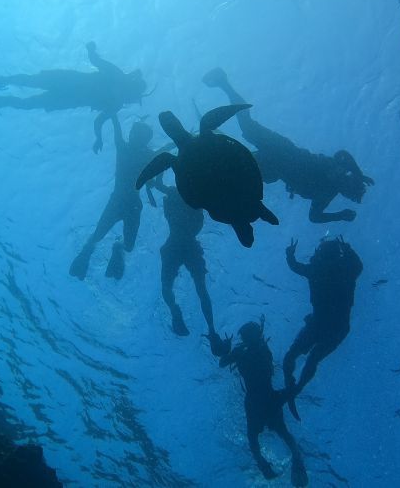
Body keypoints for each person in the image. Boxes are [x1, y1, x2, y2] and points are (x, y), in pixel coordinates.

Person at [203, 68, 374, 223]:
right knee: (247, 126)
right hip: (282, 149)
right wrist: (359, 173)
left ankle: (207, 158)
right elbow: (343, 154)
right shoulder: (337, 168)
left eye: (350, 194)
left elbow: (314, 217)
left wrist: (340, 215)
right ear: (352, 179)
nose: (347, 189)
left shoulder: (327, 195)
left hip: (274, 167)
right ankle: (223, 82)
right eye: (352, 187)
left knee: (237, 169)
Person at [0, 42, 147, 152]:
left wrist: (99, 138)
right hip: (67, 91)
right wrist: (91, 50)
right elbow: (96, 61)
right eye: (134, 96)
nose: (130, 100)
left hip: (67, 86)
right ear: (133, 89)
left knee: (28, 86)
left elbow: (98, 121)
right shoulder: (116, 86)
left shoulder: (116, 99)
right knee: (29, 90)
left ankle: (1, 96)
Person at [219, 319, 308, 485]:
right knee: (278, 432)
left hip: (260, 398)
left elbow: (223, 363)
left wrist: (227, 351)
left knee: (259, 434)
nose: (248, 339)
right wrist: (227, 351)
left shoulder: (250, 350)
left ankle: (275, 460)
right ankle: (283, 459)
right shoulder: (254, 349)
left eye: (248, 336)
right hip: (267, 396)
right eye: (247, 336)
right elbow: (223, 362)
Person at [282, 237, 362, 421]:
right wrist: (348, 249)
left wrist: (290, 255)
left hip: (321, 324)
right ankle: (295, 388)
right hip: (335, 326)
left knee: (298, 355)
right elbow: (358, 266)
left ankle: (293, 387)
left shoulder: (317, 269)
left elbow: (295, 266)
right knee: (312, 358)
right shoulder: (346, 269)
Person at [69, 115, 156, 281]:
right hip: (121, 202)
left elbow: (152, 180)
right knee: (98, 235)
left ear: (144, 139)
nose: (135, 136)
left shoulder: (140, 153)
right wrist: (113, 111)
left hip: (127, 204)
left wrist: (113, 109)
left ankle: (116, 247)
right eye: (135, 133)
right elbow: (116, 124)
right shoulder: (128, 148)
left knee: (128, 246)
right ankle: (89, 251)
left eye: (138, 134)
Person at [152, 177, 231, 357]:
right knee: (200, 289)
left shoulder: (182, 192)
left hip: (175, 244)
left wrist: (159, 169)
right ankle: (209, 328)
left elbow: (158, 185)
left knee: (168, 286)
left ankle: (175, 311)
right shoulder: (198, 195)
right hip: (189, 246)